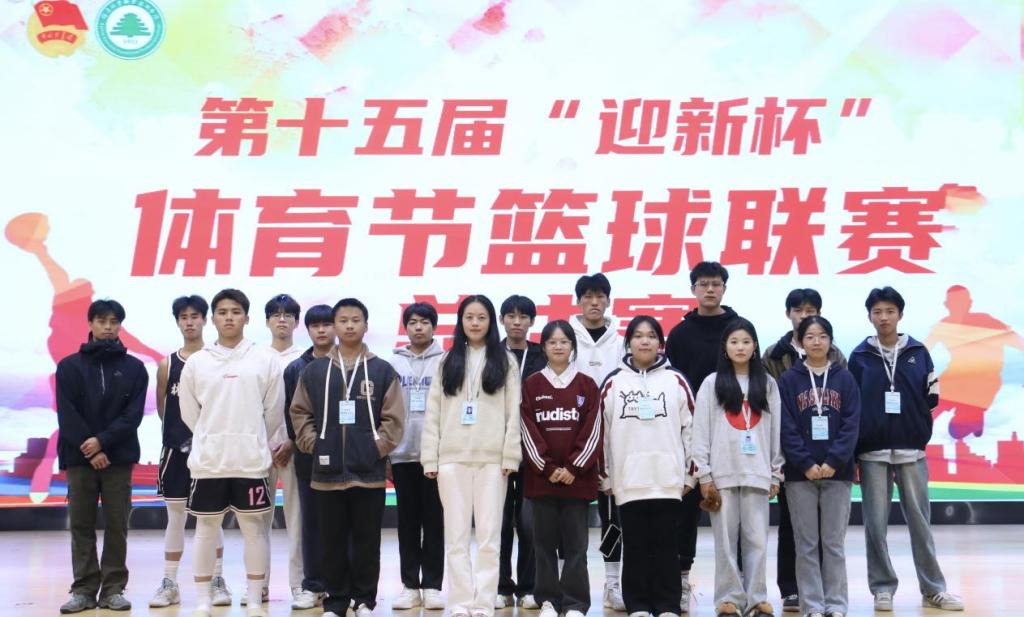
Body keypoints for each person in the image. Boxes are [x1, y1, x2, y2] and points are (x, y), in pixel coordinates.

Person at [849, 287, 964, 612]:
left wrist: (916, 429)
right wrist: (856, 451)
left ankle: (934, 589)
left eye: (889, 311)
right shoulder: (860, 357)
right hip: (872, 453)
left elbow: (931, 398)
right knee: (875, 525)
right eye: (877, 312)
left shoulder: (918, 352)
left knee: (920, 522)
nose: (883, 317)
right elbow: (853, 407)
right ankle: (882, 588)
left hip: (911, 450)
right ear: (869, 316)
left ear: (900, 314)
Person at [290, 298, 405, 617]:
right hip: (326, 475)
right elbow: (299, 412)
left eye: (356, 320)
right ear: (335, 326)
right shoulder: (315, 371)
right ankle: (337, 601)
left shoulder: (382, 370)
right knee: (331, 542)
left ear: (366, 326)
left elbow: (394, 419)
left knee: (367, 542)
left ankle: (365, 599)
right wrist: (315, 444)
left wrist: (374, 449)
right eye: (343, 320)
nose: (350, 325)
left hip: (368, 474)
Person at [178, 288, 286, 617]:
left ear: (247, 318)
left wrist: (252, 438)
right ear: (213, 319)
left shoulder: (265, 359)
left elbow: (273, 412)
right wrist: (211, 437)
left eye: (236, 312)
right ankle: (203, 600)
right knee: (206, 530)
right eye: (223, 312)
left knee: (254, 529)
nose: (229, 317)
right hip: (209, 462)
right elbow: (190, 414)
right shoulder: (197, 362)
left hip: (250, 462)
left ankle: (253, 600)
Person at [421, 295, 522, 617]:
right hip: (451, 460)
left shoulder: (505, 361)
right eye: (469, 317)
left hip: (493, 461)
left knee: (490, 537)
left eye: (481, 317)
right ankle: (461, 602)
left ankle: (484, 602)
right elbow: (433, 412)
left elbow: (514, 412)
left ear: (491, 322)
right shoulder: (446, 361)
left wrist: (511, 456)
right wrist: (430, 458)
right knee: (456, 537)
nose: (475, 323)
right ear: (460, 322)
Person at [57, 299, 148, 614]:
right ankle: (83, 590)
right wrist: (90, 446)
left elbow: (132, 415)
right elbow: (67, 413)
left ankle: (112, 590)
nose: (108, 327)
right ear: (90, 324)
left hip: (117, 459)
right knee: (81, 525)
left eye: (114, 322)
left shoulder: (134, 368)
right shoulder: (69, 366)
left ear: (120, 325)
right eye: (102, 321)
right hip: (79, 458)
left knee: (116, 525)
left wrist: (103, 443)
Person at [601, 315, 695, 617]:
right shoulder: (614, 382)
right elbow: (601, 432)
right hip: (628, 481)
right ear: (628, 342)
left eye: (651, 336)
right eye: (638, 336)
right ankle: (638, 604)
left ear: (660, 343)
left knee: (667, 546)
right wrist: (606, 477)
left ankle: (667, 604)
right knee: (636, 546)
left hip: (668, 480)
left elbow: (691, 430)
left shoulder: (676, 381)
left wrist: (690, 475)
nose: (645, 341)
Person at [689, 318, 783, 617]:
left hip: (758, 473)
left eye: (746, 341)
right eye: (734, 342)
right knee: (725, 542)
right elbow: (699, 432)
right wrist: (704, 474)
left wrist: (776, 472)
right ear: (725, 348)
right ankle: (728, 599)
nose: (740, 347)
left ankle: (757, 599)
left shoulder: (767, 384)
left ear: (755, 346)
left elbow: (776, 431)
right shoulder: (711, 383)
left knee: (757, 541)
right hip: (722, 475)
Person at [761, 289, 847, 613]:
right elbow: (772, 407)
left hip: (832, 459)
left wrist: (835, 456)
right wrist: (797, 457)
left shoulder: (836, 356)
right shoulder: (774, 355)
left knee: (830, 533)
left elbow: (849, 410)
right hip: (793, 458)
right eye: (798, 310)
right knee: (792, 526)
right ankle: (791, 589)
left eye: (810, 310)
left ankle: (827, 593)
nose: (803, 315)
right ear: (789, 314)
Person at [664, 261, 740, 612]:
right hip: (691, 431)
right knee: (686, 511)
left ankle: (737, 587)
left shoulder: (738, 328)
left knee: (735, 512)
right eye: (703, 284)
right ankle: (682, 581)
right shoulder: (680, 334)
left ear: (724, 288)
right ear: (693, 289)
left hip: (734, 428)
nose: (710, 289)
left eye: (716, 283)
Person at [149, 295, 231, 609]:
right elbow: (164, 409)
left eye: (195, 316)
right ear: (177, 322)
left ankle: (217, 580)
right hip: (175, 452)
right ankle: (169, 582)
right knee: (175, 517)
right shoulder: (167, 364)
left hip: (211, 451)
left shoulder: (217, 360)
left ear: (204, 320)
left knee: (212, 518)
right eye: (183, 317)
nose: (189, 322)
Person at [778, 316, 860, 617]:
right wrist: (806, 463)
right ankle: (812, 605)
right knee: (806, 544)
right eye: (810, 336)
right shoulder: (788, 380)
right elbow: (786, 426)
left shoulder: (844, 378)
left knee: (834, 543)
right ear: (800, 341)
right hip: (800, 475)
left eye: (822, 336)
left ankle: (836, 605)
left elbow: (851, 424)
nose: (816, 341)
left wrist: (833, 461)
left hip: (838, 474)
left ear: (830, 340)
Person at [519, 319, 602, 617]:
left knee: (576, 547)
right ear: (543, 347)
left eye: (564, 342)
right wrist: (547, 467)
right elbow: (527, 429)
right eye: (552, 342)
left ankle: (575, 603)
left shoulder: (586, 385)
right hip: (542, 481)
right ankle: (549, 601)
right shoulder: (532, 385)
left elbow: (593, 431)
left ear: (572, 346)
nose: (558, 347)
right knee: (543, 546)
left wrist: (574, 467)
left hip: (576, 482)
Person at [568, 273, 626, 611]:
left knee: (611, 515)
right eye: (588, 296)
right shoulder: (565, 337)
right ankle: (564, 583)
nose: (594, 302)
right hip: (571, 440)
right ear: (578, 301)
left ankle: (613, 583)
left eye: (600, 296)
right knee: (568, 517)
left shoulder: (622, 340)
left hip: (613, 442)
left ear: (608, 300)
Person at [389, 302, 446, 611]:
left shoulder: (446, 361)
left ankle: (433, 586)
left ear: (434, 326)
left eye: (424, 322)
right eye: (413, 322)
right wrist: (387, 453)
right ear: (406, 327)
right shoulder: (393, 363)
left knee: (435, 522)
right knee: (408, 523)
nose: (419, 327)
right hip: (402, 454)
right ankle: (410, 585)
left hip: (436, 455)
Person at [253, 293, 309, 609]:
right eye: (275, 314)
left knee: (297, 519)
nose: (282, 320)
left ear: (297, 322)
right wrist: (263, 442)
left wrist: (291, 441)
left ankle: (299, 584)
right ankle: (258, 583)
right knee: (257, 519)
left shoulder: (306, 358)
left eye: (288, 315)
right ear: (267, 321)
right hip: (259, 449)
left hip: (294, 448)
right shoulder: (255, 357)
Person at [283, 304, 337, 608]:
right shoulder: (295, 369)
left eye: (327, 324)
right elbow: (291, 415)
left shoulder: (351, 364)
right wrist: (308, 444)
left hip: (346, 458)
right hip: (309, 458)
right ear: (307, 330)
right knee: (312, 523)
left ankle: (342, 587)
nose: (322, 330)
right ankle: (314, 585)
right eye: (315, 325)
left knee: (344, 524)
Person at [924, 285, 1024, 439]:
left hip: (984, 382)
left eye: (961, 302)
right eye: (954, 303)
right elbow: (923, 350)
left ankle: (974, 417)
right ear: (947, 305)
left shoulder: (987, 321)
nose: (958, 307)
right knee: (928, 411)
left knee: (956, 431)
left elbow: (1017, 341)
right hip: (954, 377)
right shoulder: (943, 326)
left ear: (969, 303)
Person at [497, 294, 545, 609]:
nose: (517, 322)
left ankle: (528, 587)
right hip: (496, 449)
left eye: (523, 316)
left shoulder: (542, 355)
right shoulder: (490, 354)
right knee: (499, 522)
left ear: (531, 321)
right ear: (502, 320)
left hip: (533, 450)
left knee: (529, 523)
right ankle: (501, 586)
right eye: (511, 316)